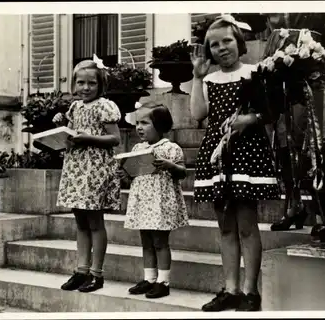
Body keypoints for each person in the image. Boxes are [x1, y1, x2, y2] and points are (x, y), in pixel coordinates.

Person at [190, 15, 280, 312]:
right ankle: (230, 289)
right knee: (225, 227)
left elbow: (269, 113)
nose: (221, 48)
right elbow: (196, 114)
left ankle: (250, 291)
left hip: (246, 154)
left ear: (240, 43)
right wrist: (196, 77)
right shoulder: (210, 80)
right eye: (214, 45)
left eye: (227, 41)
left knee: (246, 226)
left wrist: (247, 119)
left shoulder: (255, 73)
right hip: (217, 157)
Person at [261, 13, 325, 231]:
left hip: (307, 63)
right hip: (277, 57)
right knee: (283, 142)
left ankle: (320, 213)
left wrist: (312, 55)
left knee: (306, 140)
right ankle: (293, 207)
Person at [53, 58, 122, 292]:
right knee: (80, 221)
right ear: (74, 84)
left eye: (91, 83)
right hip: (76, 168)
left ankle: (97, 273)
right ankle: (81, 270)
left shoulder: (105, 106)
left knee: (94, 222)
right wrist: (62, 125)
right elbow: (72, 134)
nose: (85, 88)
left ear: (100, 85)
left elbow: (115, 139)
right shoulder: (75, 107)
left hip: (95, 169)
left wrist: (88, 138)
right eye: (80, 83)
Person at [118, 102, 189, 299]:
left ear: (160, 124)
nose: (139, 127)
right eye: (137, 123)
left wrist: (170, 166)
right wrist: (124, 174)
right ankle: (149, 278)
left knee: (160, 242)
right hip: (143, 202)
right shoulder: (137, 148)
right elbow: (134, 176)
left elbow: (183, 172)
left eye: (145, 123)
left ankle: (163, 281)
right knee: (146, 242)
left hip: (160, 203)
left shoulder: (170, 148)